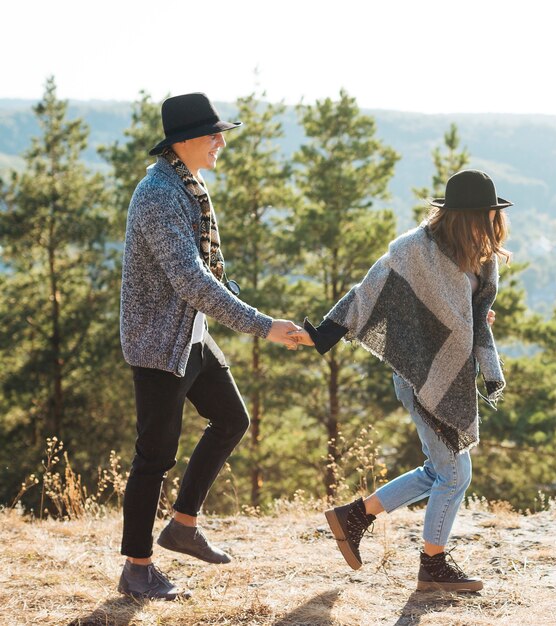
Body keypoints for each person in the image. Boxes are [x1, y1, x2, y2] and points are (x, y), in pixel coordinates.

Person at [118, 92, 302, 600]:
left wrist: (247, 308)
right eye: (214, 133)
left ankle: (182, 526)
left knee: (232, 420)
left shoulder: (189, 185)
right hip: (160, 346)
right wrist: (264, 325)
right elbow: (192, 282)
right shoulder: (158, 196)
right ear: (184, 142)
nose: (221, 141)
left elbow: (209, 274)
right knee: (154, 458)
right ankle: (137, 568)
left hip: (191, 338)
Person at [297, 169, 512, 592]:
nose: (494, 222)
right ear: (467, 216)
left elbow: (462, 312)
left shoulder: (479, 259)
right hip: (417, 374)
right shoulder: (416, 249)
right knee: (454, 475)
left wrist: (474, 320)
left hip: (454, 373)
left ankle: (354, 516)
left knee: (439, 470)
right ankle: (432, 565)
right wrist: (325, 333)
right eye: (488, 213)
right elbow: (367, 291)